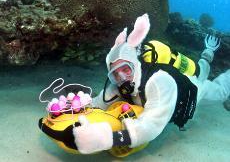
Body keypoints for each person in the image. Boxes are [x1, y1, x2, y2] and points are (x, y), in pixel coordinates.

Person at [71, 14, 230, 154]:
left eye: (126, 69)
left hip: (194, 88)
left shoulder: (159, 81)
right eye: (115, 74)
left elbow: (151, 126)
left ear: (136, 63)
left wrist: (109, 139)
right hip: (171, 90)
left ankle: (209, 52)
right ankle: (207, 53)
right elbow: (97, 105)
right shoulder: (118, 84)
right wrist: (75, 110)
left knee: (216, 87)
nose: (122, 78)